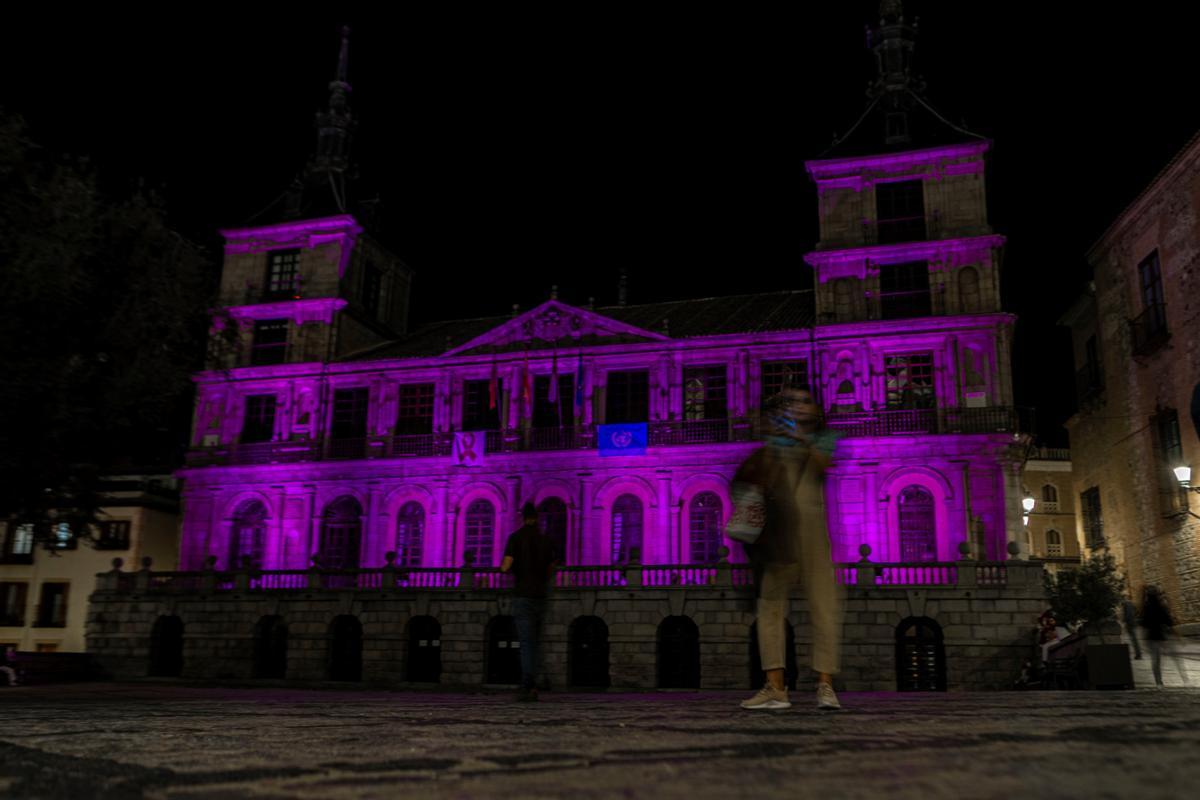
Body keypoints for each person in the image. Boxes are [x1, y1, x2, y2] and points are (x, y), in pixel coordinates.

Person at [736, 387, 844, 711]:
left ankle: (825, 685)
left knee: (823, 604)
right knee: (769, 605)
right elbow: (755, 484)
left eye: (803, 400)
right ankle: (775, 686)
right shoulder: (771, 444)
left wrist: (799, 438)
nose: (796, 406)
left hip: (812, 530)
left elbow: (823, 464)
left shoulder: (824, 438)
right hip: (779, 533)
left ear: (815, 409)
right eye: (790, 401)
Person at [500, 501, 557, 701]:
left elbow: (505, 567)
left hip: (522, 595)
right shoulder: (546, 540)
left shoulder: (515, 538)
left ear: (522, 517)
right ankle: (535, 681)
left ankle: (528, 684)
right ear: (537, 517)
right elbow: (551, 568)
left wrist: (511, 567)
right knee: (536, 641)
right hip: (541, 595)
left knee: (526, 642)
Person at [1141, 586, 1188, 687]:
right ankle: (1184, 678)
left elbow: (1144, 624)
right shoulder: (1161, 607)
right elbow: (1169, 623)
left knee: (1156, 661)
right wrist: (1179, 637)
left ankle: (1159, 682)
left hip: (1151, 637)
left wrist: (1144, 639)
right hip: (1162, 636)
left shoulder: (1146, 607)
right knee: (1175, 657)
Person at [1121, 594, 1142, 660]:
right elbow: (1136, 611)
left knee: (1132, 639)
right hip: (1132, 622)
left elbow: (1128, 614)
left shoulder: (1125, 603)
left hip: (1129, 623)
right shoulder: (1131, 603)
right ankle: (1138, 653)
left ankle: (1138, 654)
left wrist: (1124, 621)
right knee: (1134, 639)